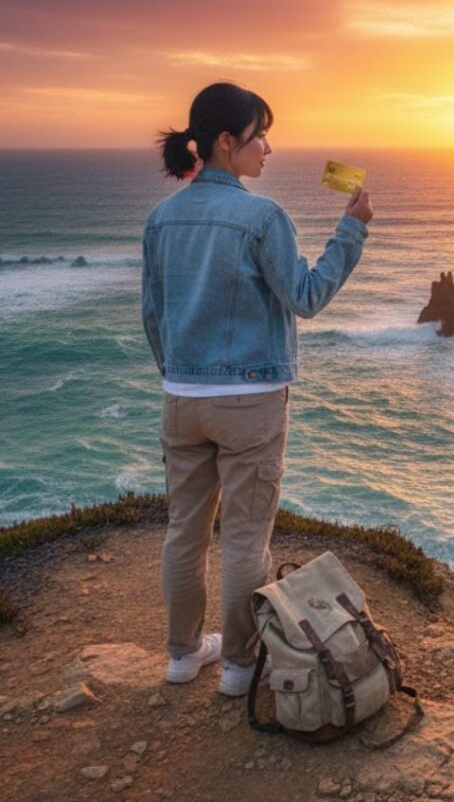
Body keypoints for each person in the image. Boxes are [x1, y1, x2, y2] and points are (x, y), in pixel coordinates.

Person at [142, 81, 373, 695]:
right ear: (226, 141)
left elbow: (151, 315)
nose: (267, 148)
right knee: (246, 538)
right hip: (250, 401)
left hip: (182, 399)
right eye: (258, 134)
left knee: (183, 534)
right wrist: (351, 231)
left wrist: (181, 372)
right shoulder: (262, 217)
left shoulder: (161, 219)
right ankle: (240, 669)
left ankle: (181, 655)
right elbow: (306, 297)